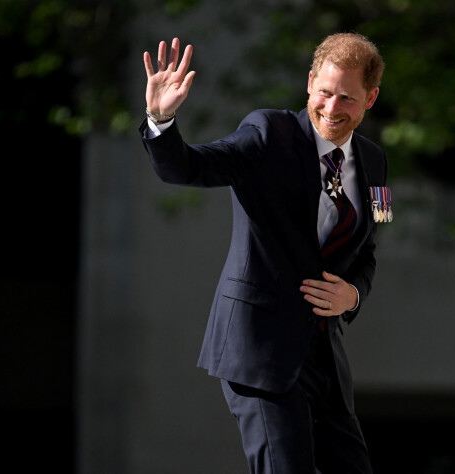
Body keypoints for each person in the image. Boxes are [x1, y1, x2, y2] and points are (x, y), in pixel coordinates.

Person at [140, 32, 388, 474]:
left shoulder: (374, 162)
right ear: (310, 82)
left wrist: (353, 295)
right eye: (325, 93)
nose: (332, 109)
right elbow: (190, 167)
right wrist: (161, 120)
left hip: (324, 358)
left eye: (347, 99)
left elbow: (367, 250)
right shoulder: (268, 133)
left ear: (370, 99)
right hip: (260, 347)